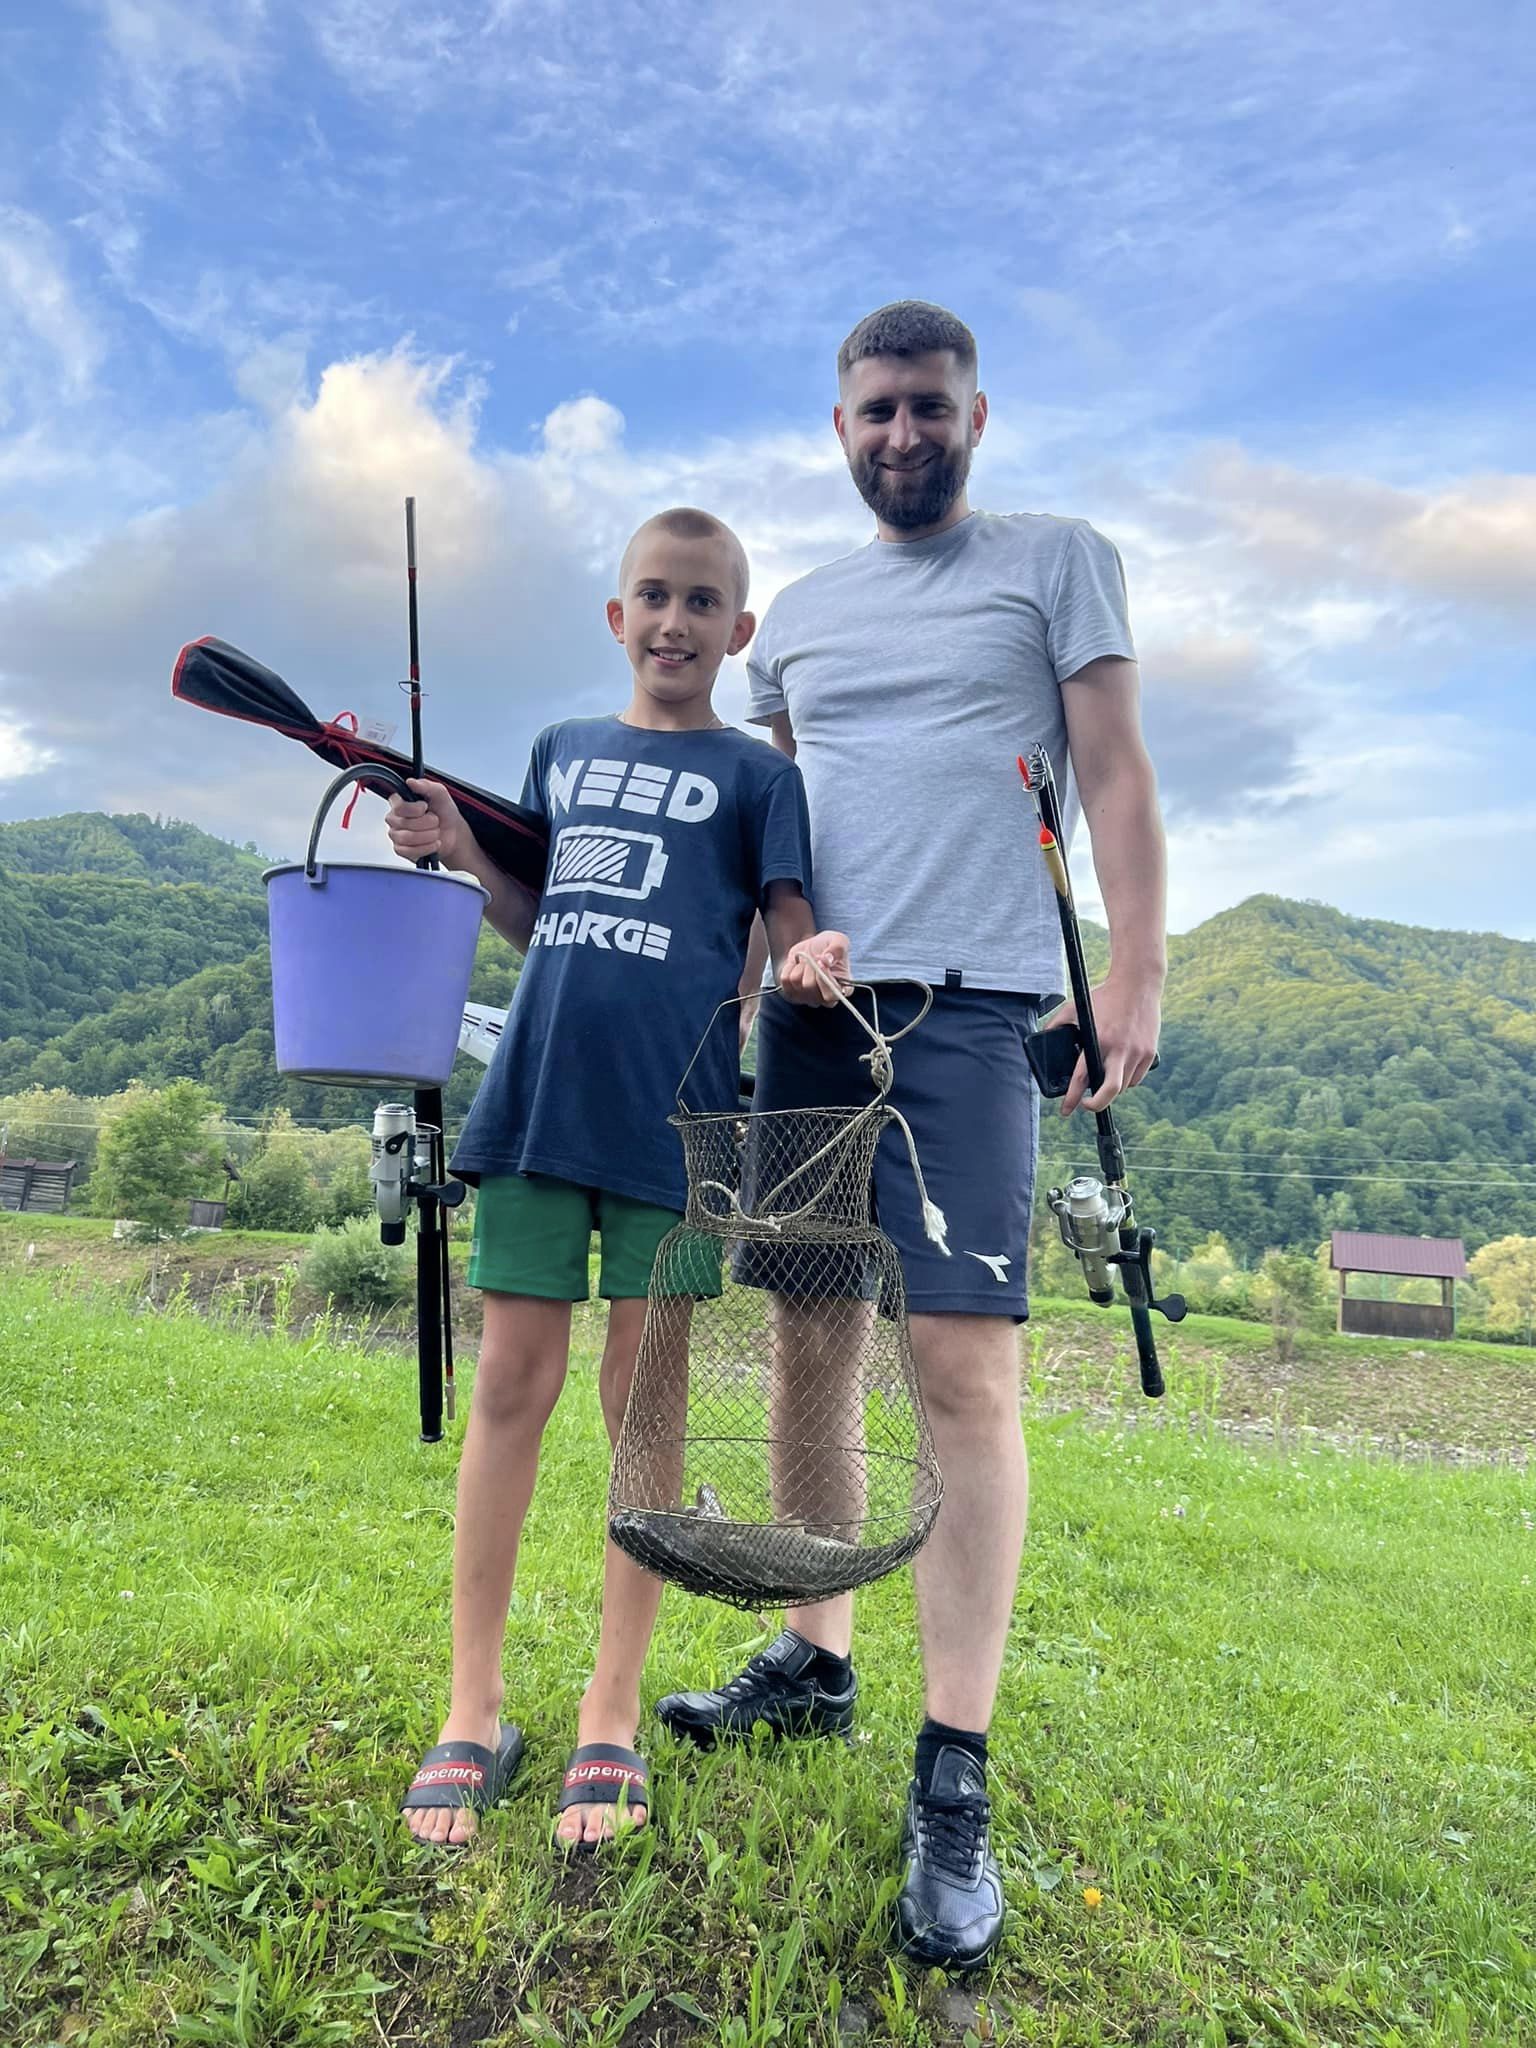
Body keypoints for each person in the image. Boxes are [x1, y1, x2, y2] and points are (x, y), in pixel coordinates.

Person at [654, 304, 1167, 1969]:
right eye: (876, 409)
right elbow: (777, 826)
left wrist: (1136, 975)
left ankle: (954, 1770)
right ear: (840, 425)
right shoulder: (797, 618)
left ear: (977, 414)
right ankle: (818, 1656)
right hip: (813, 1018)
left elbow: (1114, 771)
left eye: (929, 406)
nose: (902, 433)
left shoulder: (1057, 561)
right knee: (810, 1341)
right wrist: (748, 971)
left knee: (961, 1374)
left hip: (973, 1010)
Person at [391, 507, 850, 1852]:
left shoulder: (761, 777)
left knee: (643, 1411)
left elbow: (788, 926)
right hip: (535, 1107)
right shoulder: (561, 751)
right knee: (509, 1388)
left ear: (739, 631)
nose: (674, 622)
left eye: (703, 602)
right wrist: (462, 852)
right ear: (616, 615)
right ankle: (472, 1708)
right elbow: (538, 920)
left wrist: (810, 958)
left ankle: (611, 1712)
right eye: (653, 595)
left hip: (680, 1131)